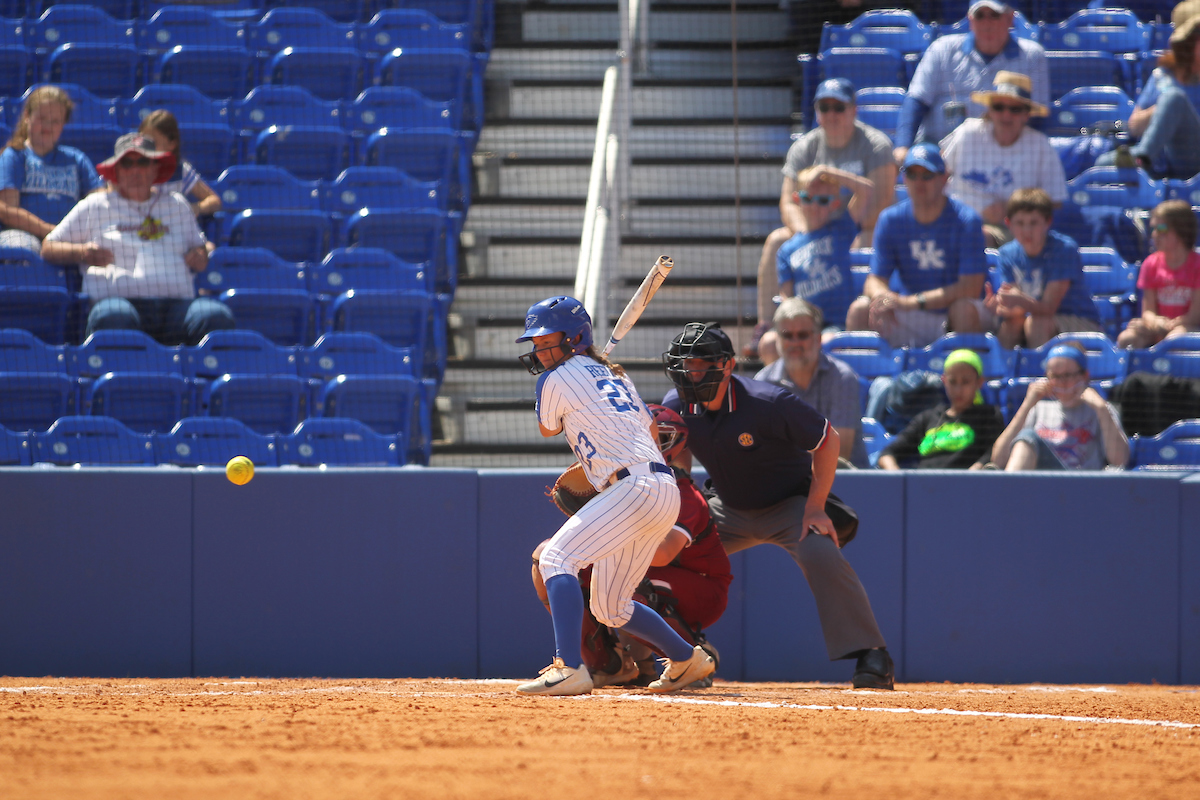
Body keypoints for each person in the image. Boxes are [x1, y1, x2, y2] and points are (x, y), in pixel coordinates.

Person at [662, 322, 894, 690]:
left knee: (820, 551)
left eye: (702, 363)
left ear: (728, 365)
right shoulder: (676, 405)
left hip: (790, 506)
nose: (692, 372)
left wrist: (816, 507)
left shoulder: (768, 402)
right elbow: (679, 451)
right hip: (727, 507)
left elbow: (828, 440)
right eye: (686, 364)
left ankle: (872, 654)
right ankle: (679, 652)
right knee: (665, 551)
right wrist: (682, 501)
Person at [513, 296, 716, 696]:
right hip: (661, 489)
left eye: (546, 340)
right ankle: (687, 659)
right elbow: (652, 433)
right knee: (610, 607)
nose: (538, 349)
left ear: (574, 338)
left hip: (633, 489)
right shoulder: (617, 377)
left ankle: (568, 667)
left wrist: (573, 380)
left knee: (557, 558)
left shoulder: (553, 379)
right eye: (535, 342)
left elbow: (548, 429)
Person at [530, 403, 731, 688]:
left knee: (632, 583)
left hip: (702, 587)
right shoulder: (622, 484)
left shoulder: (682, 491)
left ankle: (686, 656)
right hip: (662, 576)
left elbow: (662, 554)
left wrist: (604, 536)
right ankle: (608, 664)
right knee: (551, 562)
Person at [41, 132, 235, 346]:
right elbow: (48, 247)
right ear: (116, 171)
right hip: (119, 304)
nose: (135, 170)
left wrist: (200, 256)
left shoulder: (177, 205)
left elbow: (200, 249)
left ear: (155, 168)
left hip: (177, 308)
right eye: (127, 163)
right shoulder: (94, 205)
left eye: (143, 162)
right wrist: (81, 253)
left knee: (215, 315)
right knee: (112, 317)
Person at [752, 77, 895, 353]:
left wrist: (834, 192)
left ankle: (862, 321)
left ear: (853, 110)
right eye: (824, 107)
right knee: (776, 241)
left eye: (838, 107)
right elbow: (788, 201)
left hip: (860, 225)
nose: (831, 114)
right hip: (812, 226)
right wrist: (808, 233)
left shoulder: (876, 144)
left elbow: (878, 201)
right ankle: (766, 325)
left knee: (863, 238)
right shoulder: (805, 147)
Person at [845, 143, 988, 348]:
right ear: (904, 178)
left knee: (964, 310)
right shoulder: (890, 219)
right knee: (860, 310)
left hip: (952, 314)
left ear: (944, 178)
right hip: (908, 315)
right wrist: (883, 298)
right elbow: (874, 280)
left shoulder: (966, 220)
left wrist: (912, 302)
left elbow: (971, 288)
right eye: (912, 174)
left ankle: (961, 378)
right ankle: (867, 378)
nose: (919, 182)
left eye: (927, 175)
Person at [895, 1, 1049, 163]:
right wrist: (902, 148)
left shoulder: (1032, 56)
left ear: (1010, 18)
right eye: (980, 15)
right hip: (939, 156)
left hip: (1003, 155)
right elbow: (916, 102)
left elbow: (1038, 117)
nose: (987, 23)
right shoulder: (942, 49)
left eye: (994, 15)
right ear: (970, 19)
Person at [757, 165, 873, 363]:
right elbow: (787, 295)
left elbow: (867, 189)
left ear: (835, 204)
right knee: (768, 344)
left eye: (823, 200)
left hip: (837, 325)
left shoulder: (841, 229)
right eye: (808, 199)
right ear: (797, 199)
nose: (814, 207)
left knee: (825, 343)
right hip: (803, 327)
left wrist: (827, 171)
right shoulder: (787, 250)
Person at [940, 71, 1066, 247]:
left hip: (1007, 230)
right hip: (952, 220)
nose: (1006, 115)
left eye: (1014, 109)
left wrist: (1012, 209)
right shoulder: (967, 133)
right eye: (999, 107)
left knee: (973, 238)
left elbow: (1055, 200)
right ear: (989, 110)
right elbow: (936, 172)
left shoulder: (1040, 146)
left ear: (1026, 115)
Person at [755, 298, 868, 468]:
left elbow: (840, 453)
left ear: (818, 338)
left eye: (802, 335)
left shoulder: (842, 378)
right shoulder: (762, 382)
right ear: (777, 338)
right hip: (784, 481)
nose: (795, 343)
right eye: (787, 335)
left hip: (843, 483)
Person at [989, 188, 1103, 349]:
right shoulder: (1006, 254)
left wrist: (1018, 300)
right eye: (1020, 223)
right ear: (1008, 224)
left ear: (1048, 222)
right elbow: (1017, 308)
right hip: (1035, 319)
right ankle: (1002, 374)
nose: (1027, 231)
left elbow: (1049, 307)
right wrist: (999, 309)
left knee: (1037, 323)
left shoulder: (1064, 249)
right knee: (1011, 325)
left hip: (1081, 323)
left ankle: (1040, 372)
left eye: (1033, 223)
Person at [990, 342, 1129, 471]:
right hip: (1043, 486)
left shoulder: (1101, 410)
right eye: (1055, 376)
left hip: (1083, 486)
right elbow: (998, 460)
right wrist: (1027, 405)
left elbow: (1120, 461)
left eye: (1068, 375)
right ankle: (1006, 494)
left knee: (1028, 436)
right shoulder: (1039, 408)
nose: (1061, 383)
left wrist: (1102, 409)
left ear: (1085, 376)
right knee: (1027, 438)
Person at [0, 85, 104, 253]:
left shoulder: (77, 158)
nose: (48, 126)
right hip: (25, 236)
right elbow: (8, 211)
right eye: (42, 118)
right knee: (20, 247)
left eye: (55, 121)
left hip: (70, 238)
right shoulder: (14, 156)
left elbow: (100, 201)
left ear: (63, 124)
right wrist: (49, 230)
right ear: (27, 116)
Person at [1104, 15, 1200, 179]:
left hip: (1192, 160)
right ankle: (1142, 158)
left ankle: (1142, 157)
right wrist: (1166, 111)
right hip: (1161, 158)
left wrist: (1176, 107)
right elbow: (1134, 127)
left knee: (1175, 98)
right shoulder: (1161, 76)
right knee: (1102, 161)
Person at [877, 349, 1003, 470]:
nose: (958, 390)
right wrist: (899, 478)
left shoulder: (988, 416)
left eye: (965, 382)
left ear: (979, 382)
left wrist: (976, 470)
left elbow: (994, 452)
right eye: (952, 382)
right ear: (944, 381)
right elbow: (887, 454)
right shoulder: (926, 418)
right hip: (924, 487)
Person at [1117, 200, 1200, 348]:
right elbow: (1148, 311)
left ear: (1181, 231)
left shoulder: (1197, 265)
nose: (1154, 235)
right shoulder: (1150, 264)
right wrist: (1156, 322)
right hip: (1156, 328)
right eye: (1152, 229)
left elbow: (1194, 316)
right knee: (1126, 339)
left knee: (1175, 340)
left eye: (1161, 229)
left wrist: (1169, 325)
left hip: (1187, 328)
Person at [137, 110, 222, 226]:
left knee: (209, 245)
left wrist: (193, 208)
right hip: (137, 232)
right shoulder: (130, 167)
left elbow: (214, 201)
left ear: (172, 144)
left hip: (173, 234)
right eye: (143, 141)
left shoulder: (181, 170)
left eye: (153, 142)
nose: (146, 147)